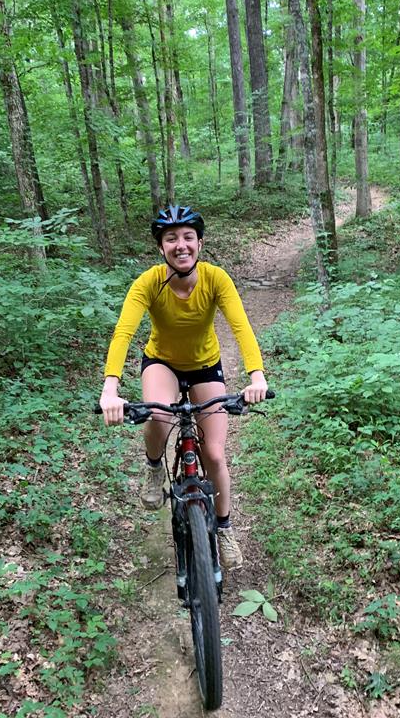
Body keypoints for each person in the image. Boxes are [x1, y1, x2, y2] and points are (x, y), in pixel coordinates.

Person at [99, 205, 268, 570]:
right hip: (162, 363)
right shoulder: (148, 283)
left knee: (216, 455)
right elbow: (124, 332)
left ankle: (223, 528)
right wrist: (110, 389)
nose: (181, 245)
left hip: (206, 366)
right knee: (157, 414)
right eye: (171, 238)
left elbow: (241, 327)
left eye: (188, 237)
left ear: (200, 243)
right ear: (161, 248)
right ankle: (155, 466)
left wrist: (256, 376)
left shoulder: (215, 279)